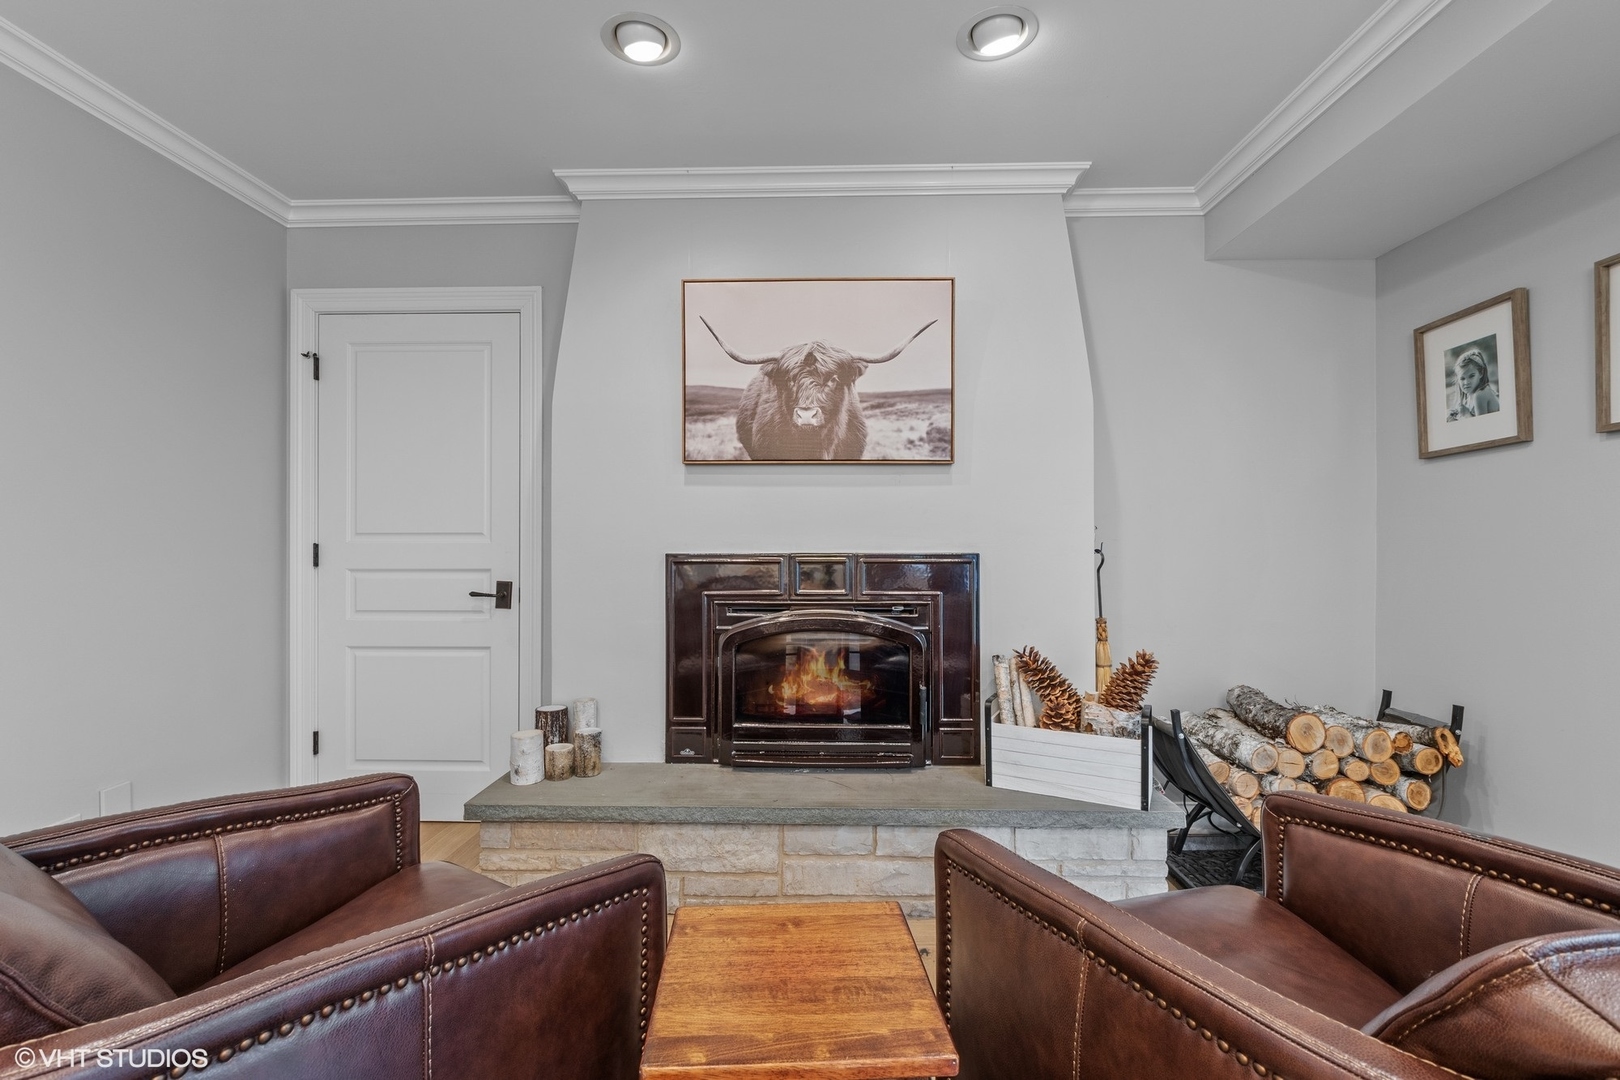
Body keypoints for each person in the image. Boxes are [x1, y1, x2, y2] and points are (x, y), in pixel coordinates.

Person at [1451, 349, 1499, 419]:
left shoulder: (1479, 395)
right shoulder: (1470, 397)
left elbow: (1480, 426)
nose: (1466, 382)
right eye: (1462, 378)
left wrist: (1466, 413)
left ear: (1481, 373)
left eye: (1471, 376)